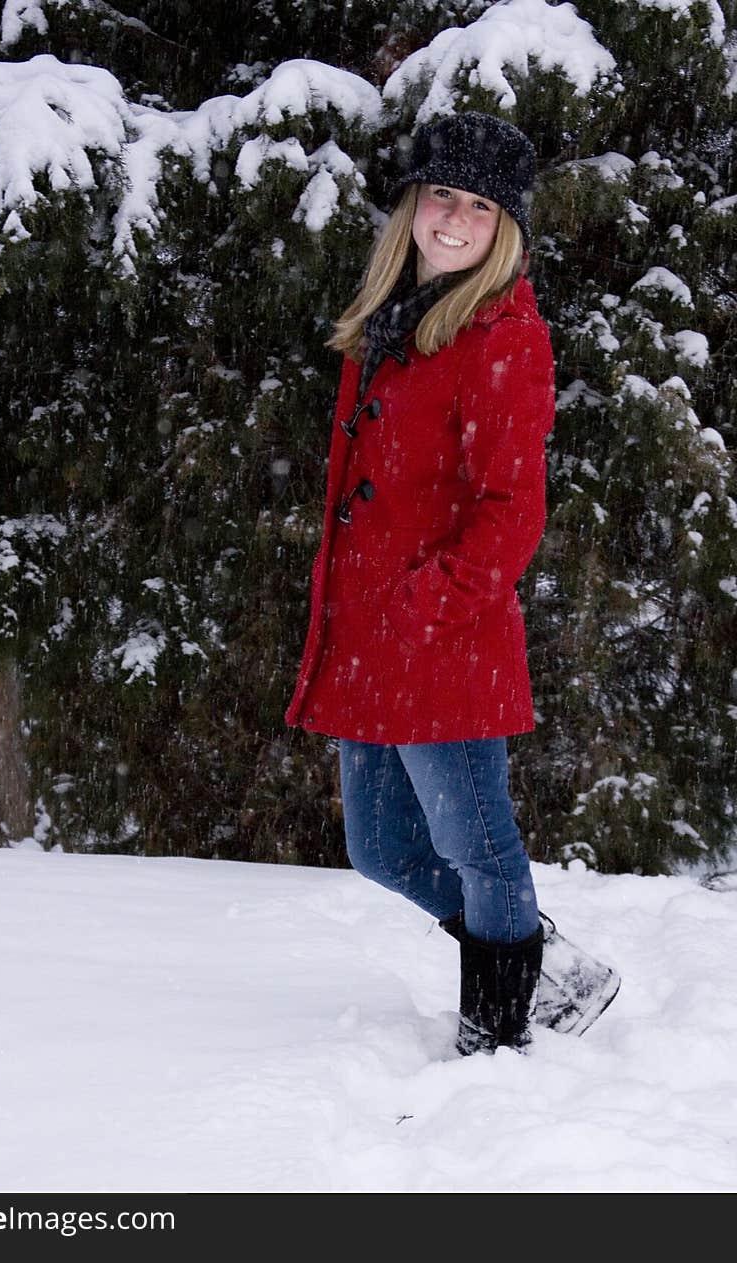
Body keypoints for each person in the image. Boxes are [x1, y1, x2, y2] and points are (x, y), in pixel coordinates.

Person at [285, 112, 617, 1055]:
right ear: (414, 205)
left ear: (503, 225)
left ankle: (498, 1039)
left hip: (442, 639)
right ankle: (546, 966)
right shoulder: (389, 321)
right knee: (381, 849)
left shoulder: (503, 336)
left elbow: (513, 509)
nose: (456, 218)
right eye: (444, 195)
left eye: (480, 205)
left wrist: (427, 605)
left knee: (480, 849)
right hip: (374, 641)